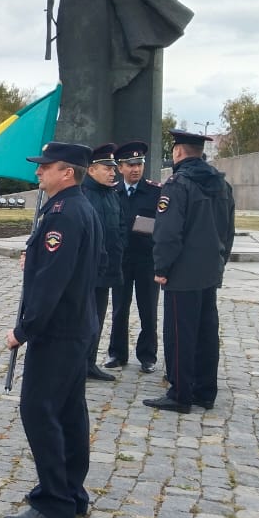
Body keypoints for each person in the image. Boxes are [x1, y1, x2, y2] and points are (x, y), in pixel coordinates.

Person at [41, 0, 195, 145]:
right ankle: (71, 122)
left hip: (95, 8)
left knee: (96, 68)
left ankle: (93, 129)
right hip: (69, 9)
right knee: (69, 69)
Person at [4, 142, 100, 518]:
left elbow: (52, 282)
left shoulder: (64, 214)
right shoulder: (78, 207)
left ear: (67, 172)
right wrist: (36, 257)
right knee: (69, 413)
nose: (38, 172)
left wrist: (23, 331)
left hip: (57, 331)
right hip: (76, 326)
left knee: (38, 410)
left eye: (46, 166)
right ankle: (72, 493)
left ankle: (55, 500)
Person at [143, 129, 235, 414]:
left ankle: (180, 394)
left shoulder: (178, 184)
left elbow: (168, 232)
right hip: (209, 270)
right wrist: (220, 261)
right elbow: (228, 230)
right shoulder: (221, 184)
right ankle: (205, 391)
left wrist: (161, 267)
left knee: (179, 334)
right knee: (206, 332)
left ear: (178, 152)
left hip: (182, 272)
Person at [105, 140, 161, 372]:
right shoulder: (112, 192)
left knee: (148, 310)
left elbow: (164, 224)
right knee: (120, 309)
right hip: (122, 260)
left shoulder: (155, 192)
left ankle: (147, 356)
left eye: (139, 164)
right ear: (120, 168)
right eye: (130, 164)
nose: (136, 169)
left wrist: (146, 226)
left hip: (147, 260)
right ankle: (117, 353)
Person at [81, 143, 125, 382]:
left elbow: (120, 227)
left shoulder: (111, 194)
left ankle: (90, 363)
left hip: (107, 270)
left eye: (113, 168)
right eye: (107, 168)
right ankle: (77, 364)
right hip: (88, 271)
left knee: (97, 318)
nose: (112, 172)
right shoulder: (83, 195)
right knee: (83, 320)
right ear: (91, 170)